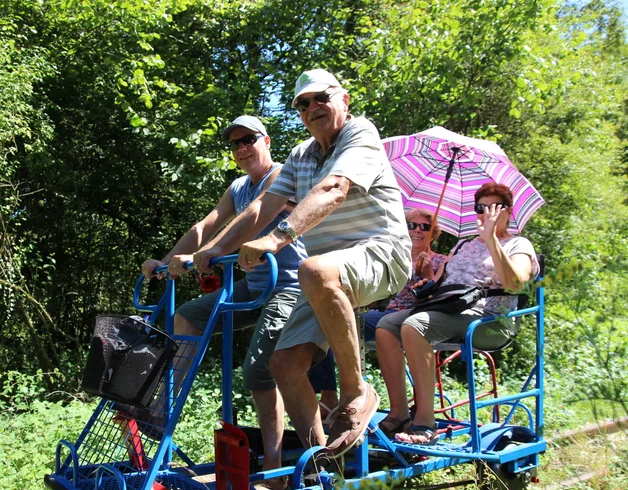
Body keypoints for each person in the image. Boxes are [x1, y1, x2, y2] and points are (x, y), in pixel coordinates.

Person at [194, 69, 411, 460]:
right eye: (302, 103)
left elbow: (334, 188)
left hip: (382, 252)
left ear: (343, 99)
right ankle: (323, 464)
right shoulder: (300, 155)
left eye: (321, 98)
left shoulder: (360, 133)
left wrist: (277, 238)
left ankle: (356, 392)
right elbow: (264, 206)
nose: (312, 108)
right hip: (327, 274)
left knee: (313, 269)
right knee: (284, 365)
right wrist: (215, 247)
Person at [142, 115, 307, 479]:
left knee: (258, 370)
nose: (242, 148)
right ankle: (161, 410)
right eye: (235, 143)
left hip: (290, 285)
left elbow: (253, 216)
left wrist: (212, 252)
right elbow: (206, 225)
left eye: (249, 139)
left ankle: (275, 469)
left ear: (267, 140)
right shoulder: (237, 187)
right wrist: (166, 263)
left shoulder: (284, 175)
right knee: (187, 315)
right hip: (254, 285)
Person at [375, 182, 539, 444]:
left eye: (494, 207)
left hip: (490, 319)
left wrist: (492, 241)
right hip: (450, 308)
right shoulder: (463, 245)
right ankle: (399, 413)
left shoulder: (518, 244)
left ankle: (425, 422)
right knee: (386, 325)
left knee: (415, 326)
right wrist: (427, 275)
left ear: (508, 211)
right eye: (480, 207)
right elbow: (438, 284)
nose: (486, 212)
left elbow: (515, 284)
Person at [308, 207, 447, 426]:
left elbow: (438, 301)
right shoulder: (393, 256)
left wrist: (428, 276)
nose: (417, 231)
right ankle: (328, 393)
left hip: (413, 317)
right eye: (411, 225)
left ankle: (354, 396)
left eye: (425, 227)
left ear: (434, 232)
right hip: (381, 313)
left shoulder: (440, 261)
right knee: (323, 318)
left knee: (338, 321)